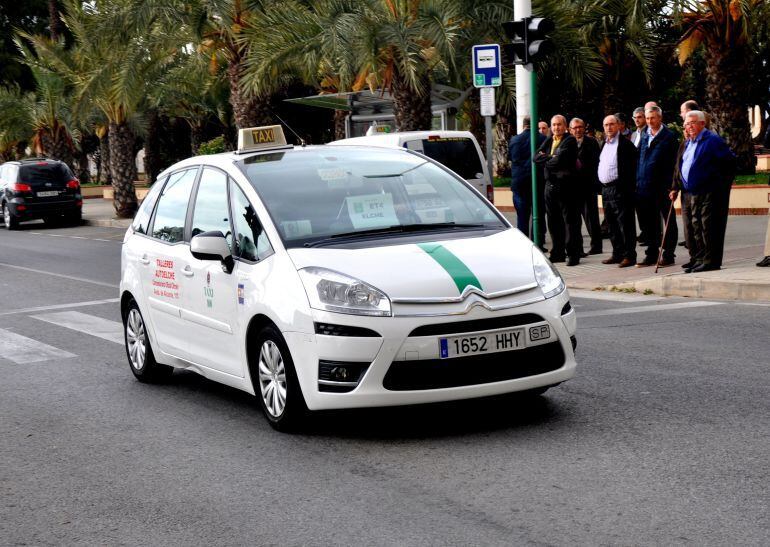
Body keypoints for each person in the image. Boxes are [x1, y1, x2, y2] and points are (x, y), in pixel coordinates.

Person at [670, 110, 736, 272]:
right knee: (697, 226)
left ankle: (711, 261)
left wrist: (719, 185)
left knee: (709, 227)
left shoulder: (712, 140)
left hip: (710, 192)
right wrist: (677, 185)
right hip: (693, 192)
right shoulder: (689, 142)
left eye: (692, 123)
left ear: (702, 123)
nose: (689, 126)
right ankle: (701, 258)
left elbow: (730, 163)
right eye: (686, 123)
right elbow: (681, 166)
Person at [535, 114, 582, 266]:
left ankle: (573, 255)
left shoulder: (569, 140)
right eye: (554, 125)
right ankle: (557, 253)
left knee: (570, 222)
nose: (556, 128)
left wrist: (548, 158)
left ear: (565, 126)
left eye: (559, 124)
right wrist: (552, 157)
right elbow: (535, 158)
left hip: (566, 187)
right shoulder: (549, 139)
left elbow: (561, 160)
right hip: (550, 187)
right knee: (553, 221)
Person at [635, 106, 679, 267]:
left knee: (668, 221)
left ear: (660, 118)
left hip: (663, 187)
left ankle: (668, 254)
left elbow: (675, 163)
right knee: (649, 223)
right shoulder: (644, 135)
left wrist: (673, 185)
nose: (649, 121)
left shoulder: (669, 137)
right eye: (647, 118)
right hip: (644, 186)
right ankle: (651, 253)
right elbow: (639, 159)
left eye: (653, 118)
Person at [598, 114, 638, 267]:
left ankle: (629, 255)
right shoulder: (604, 144)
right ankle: (617, 253)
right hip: (606, 190)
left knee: (625, 224)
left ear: (619, 126)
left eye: (612, 124)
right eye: (606, 125)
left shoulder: (626, 145)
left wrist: (627, 188)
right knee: (611, 224)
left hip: (620, 189)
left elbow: (632, 169)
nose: (609, 127)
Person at [508, 116, 546, 244]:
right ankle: (537, 243)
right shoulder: (542, 139)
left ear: (523, 125)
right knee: (538, 215)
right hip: (538, 183)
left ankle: (523, 244)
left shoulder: (514, 140)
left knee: (522, 217)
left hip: (519, 183)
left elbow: (511, 158)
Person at [570, 117, 602, 254]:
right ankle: (578, 249)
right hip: (572, 188)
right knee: (574, 221)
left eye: (580, 127)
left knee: (592, 218)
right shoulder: (567, 143)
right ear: (570, 130)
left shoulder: (592, 142)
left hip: (588, 186)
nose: (578, 130)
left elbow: (595, 163)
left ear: (584, 128)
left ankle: (596, 246)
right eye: (575, 128)